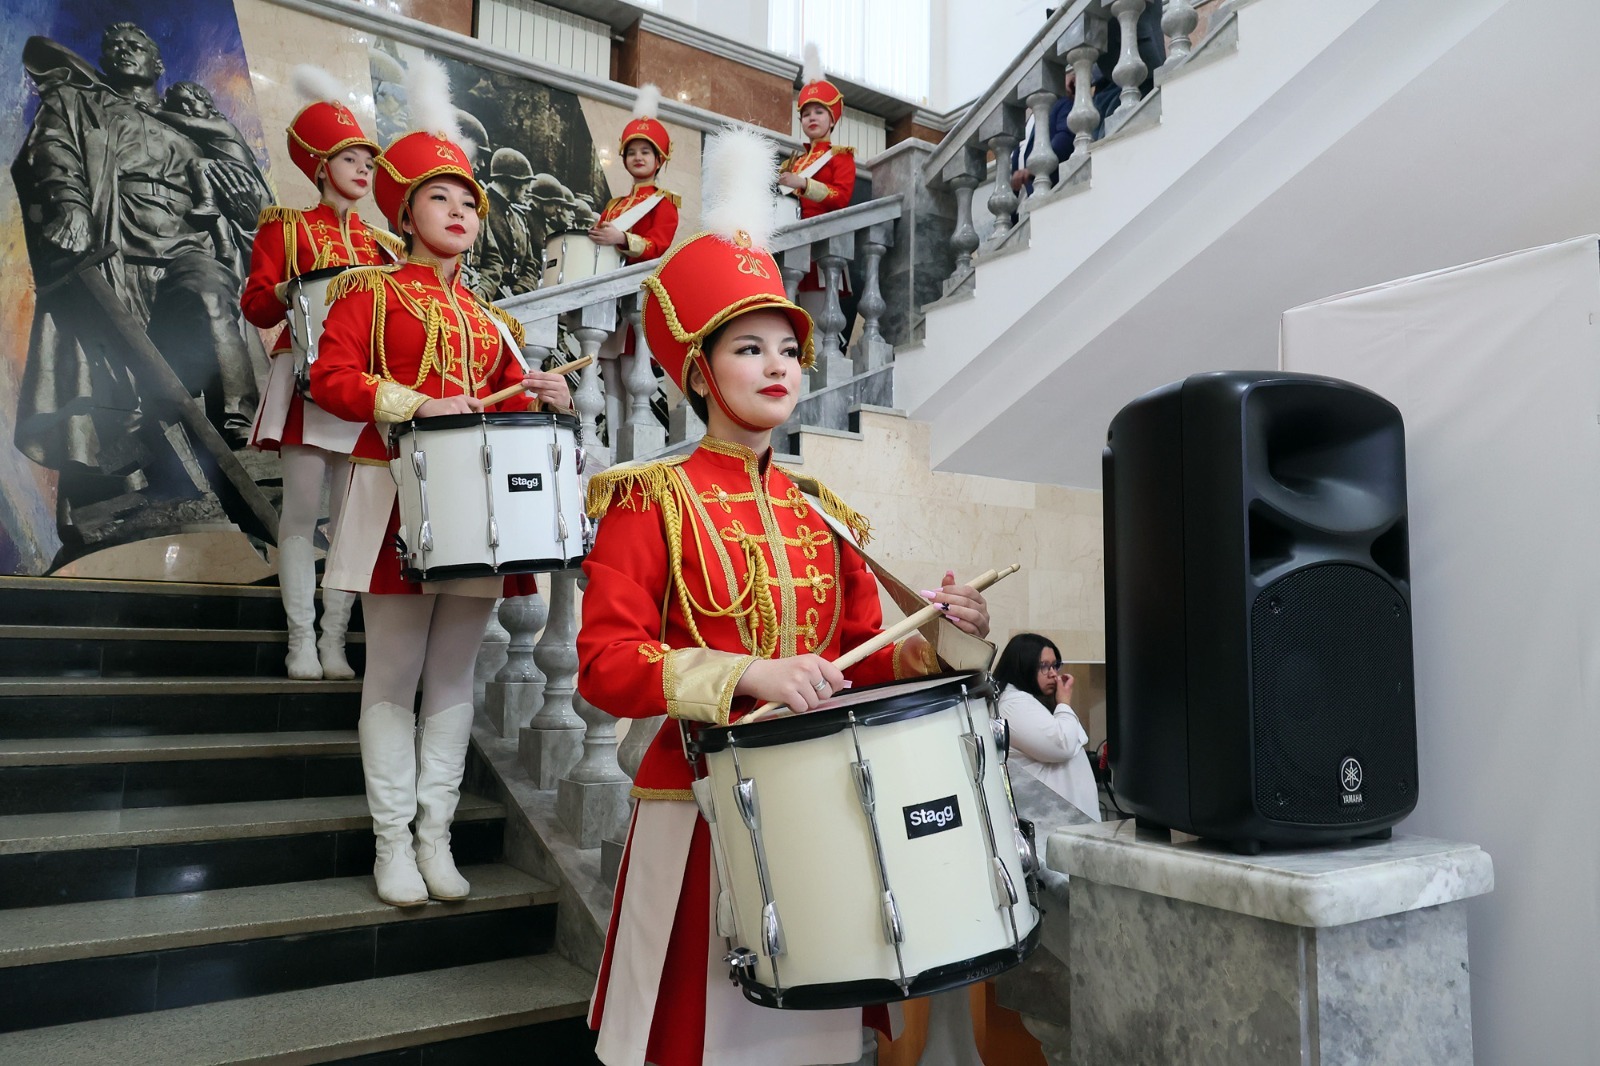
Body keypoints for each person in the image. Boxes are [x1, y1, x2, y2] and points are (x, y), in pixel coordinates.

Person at [577, 126, 993, 1066]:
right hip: (696, 809)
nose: (777, 367)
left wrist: (939, 635)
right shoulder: (649, 499)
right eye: (749, 348)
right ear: (698, 372)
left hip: (822, 812)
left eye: (787, 351)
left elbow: (862, 656)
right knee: (694, 1043)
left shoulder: (822, 515)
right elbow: (605, 664)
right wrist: (747, 673)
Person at [309, 96, 573, 907]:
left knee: (454, 676)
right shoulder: (369, 294)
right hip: (395, 491)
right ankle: (392, 843)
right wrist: (410, 401)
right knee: (391, 677)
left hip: (476, 507)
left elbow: (506, 406)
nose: (458, 211)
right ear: (404, 209)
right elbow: (331, 378)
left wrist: (548, 392)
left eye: (468, 201)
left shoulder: (492, 323)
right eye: (439, 197)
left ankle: (436, 837)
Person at [12, 22, 269, 554]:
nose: (124, 47)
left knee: (206, 294)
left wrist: (243, 208)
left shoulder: (192, 129)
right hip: (114, 253)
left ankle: (241, 433)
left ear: (159, 65)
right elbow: (51, 153)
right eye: (114, 45)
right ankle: (135, 481)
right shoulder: (78, 103)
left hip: (184, 248)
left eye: (139, 44)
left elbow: (247, 205)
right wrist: (72, 207)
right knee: (119, 378)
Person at [240, 70, 402, 681]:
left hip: (359, 387)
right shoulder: (285, 226)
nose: (364, 170)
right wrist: (288, 289)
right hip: (304, 379)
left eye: (367, 161)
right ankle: (299, 640)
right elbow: (255, 305)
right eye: (350, 159)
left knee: (348, 521)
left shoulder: (383, 246)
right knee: (303, 515)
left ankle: (334, 640)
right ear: (319, 166)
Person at [992, 633, 1099, 820]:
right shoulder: (1013, 704)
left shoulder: (1023, 700)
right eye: (1044, 666)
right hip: (1054, 823)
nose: (1053, 674)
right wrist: (1064, 702)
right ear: (1023, 666)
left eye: (1055, 665)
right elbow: (1062, 744)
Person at [471, 146, 544, 300]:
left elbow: (531, 265)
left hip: (516, 299)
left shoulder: (519, 217)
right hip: (488, 297)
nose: (527, 188)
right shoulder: (480, 208)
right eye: (525, 182)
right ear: (512, 182)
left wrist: (520, 290)